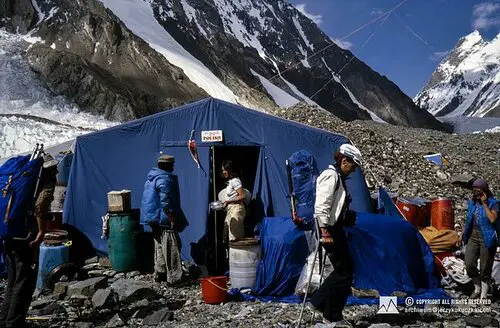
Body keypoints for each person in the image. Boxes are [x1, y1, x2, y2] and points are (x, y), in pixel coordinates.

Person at [306, 143, 362, 327]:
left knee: (343, 270)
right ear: (344, 160)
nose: (353, 169)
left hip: (334, 228)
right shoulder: (330, 176)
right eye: (352, 165)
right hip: (329, 230)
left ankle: (327, 310)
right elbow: (321, 206)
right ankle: (325, 308)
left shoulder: (338, 176)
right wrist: (324, 231)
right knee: (344, 270)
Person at [0, 153, 58, 328]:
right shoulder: (44, 182)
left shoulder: (20, 179)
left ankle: (4, 320)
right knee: (24, 281)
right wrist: (41, 231)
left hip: (8, 232)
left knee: (12, 278)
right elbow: (40, 207)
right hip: (25, 236)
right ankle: (15, 323)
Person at [140, 154, 183, 285]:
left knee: (158, 245)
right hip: (162, 218)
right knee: (171, 246)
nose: (173, 167)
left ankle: (160, 273)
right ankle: (174, 278)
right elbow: (165, 201)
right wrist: (170, 216)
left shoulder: (151, 178)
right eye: (172, 165)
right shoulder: (164, 179)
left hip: (152, 217)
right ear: (167, 165)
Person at [462, 178, 499, 299]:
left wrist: (484, 204)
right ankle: (477, 287)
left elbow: (492, 219)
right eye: (474, 190)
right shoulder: (472, 202)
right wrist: (463, 233)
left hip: (487, 237)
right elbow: (469, 219)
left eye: (478, 191)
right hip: (473, 235)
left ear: (484, 191)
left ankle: (483, 295)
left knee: (485, 267)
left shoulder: (494, 203)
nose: (476, 193)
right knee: (469, 263)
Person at [220, 160, 247, 244]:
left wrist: (229, 201)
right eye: (222, 170)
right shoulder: (230, 182)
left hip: (237, 208)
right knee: (226, 234)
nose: (223, 172)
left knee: (234, 236)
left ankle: (237, 256)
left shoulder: (235, 181)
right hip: (230, 209)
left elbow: (242, 196)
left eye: (225, 170)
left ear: (230, 170)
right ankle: (230, 255)